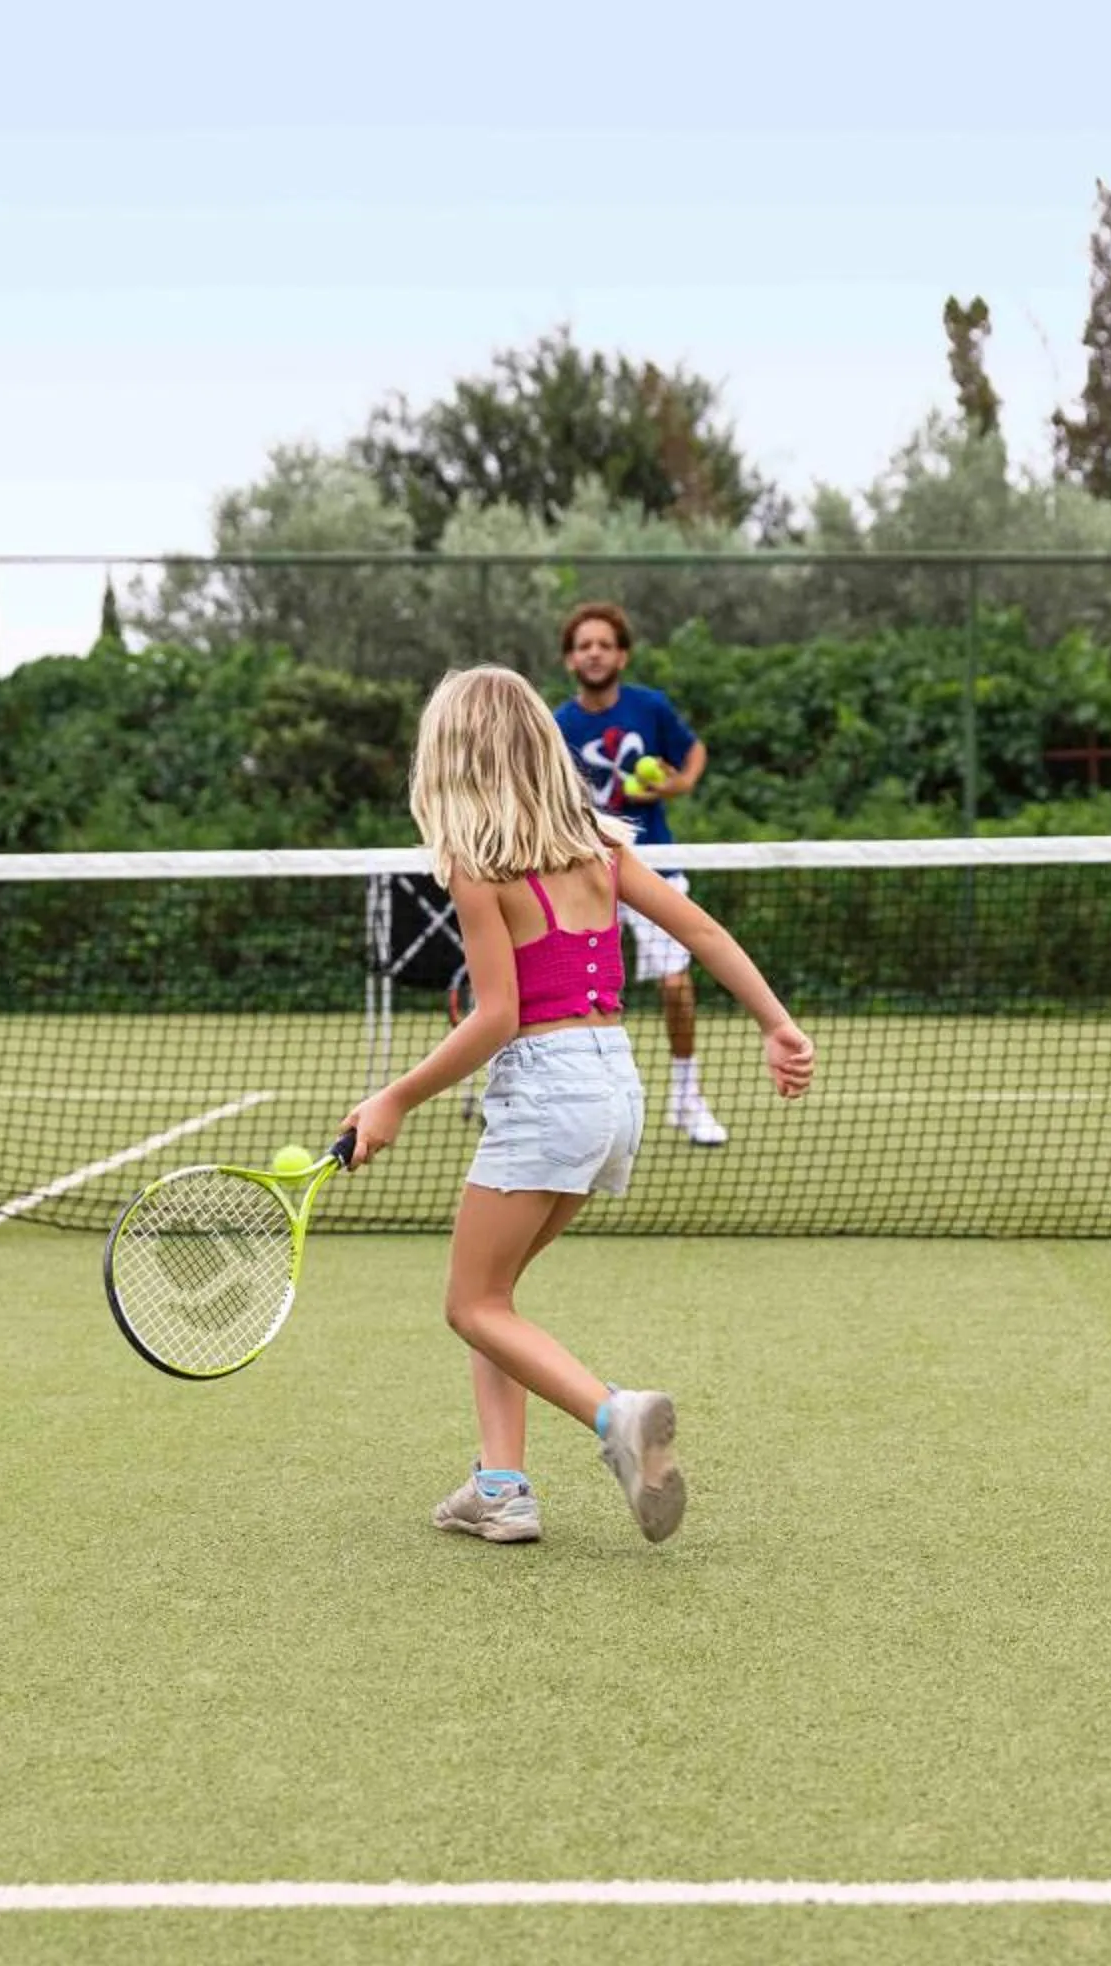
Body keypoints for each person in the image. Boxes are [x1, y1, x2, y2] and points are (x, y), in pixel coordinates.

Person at [342, 665, 815, 1546]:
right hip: (615, 1091)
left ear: (450, 757)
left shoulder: (476, 866)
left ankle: (616, 1419)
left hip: (548, 1091)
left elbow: (497, 1016)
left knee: (468, 1304)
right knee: (497, 1296)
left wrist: (395, 1099)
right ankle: (502, 1488)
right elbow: (699, 928)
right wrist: (777, 1024)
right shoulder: (598, 844)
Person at [552, 601, 727, 1145]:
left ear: (622, 654)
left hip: (653, 863)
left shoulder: (651, 708)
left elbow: (693, 753)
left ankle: (686, 1098)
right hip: (584, 869)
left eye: (605, 644)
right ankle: (565, 1102)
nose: (595, 653)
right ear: (569, 660)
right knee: (569, 995)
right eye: (585, 645)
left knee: (676, 985)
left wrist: (674, 785)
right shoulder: (557, 725)